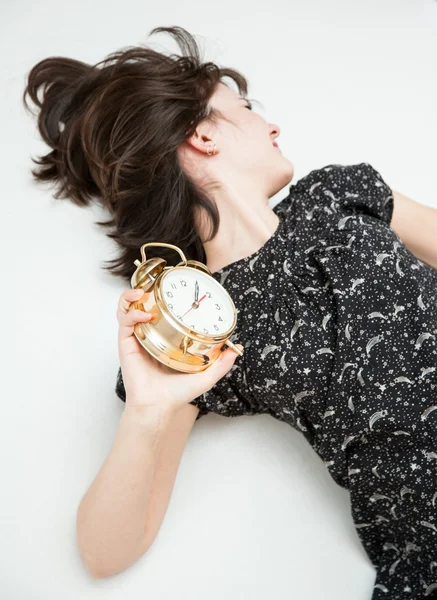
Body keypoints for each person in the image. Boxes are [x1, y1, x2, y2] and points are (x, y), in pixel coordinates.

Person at [23, 25, 437, 599]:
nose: (273, 125)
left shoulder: (338, 192)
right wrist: (148, 410)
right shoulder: (198, 332)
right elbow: (103, 551)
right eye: (246, 108)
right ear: (202, 136)